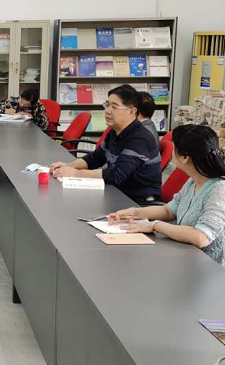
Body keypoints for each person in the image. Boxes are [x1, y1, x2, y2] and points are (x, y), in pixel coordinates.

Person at [109, 124, 225, 265]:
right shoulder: (193, 181)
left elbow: (201, 237)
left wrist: (155, 225)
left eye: (174, 147)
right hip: (187, 258)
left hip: (210, 268)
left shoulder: (219, 190)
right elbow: (169, 211)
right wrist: (135, 212)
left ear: (185, 157)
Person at [50, 85, 162, 205]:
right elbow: (95, 158)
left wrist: (76, 174)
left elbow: (116, 175)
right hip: (116, 192)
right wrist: (69, 166)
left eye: (114, 106)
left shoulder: (141, 138)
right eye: (107, 105)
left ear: (131, 111)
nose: (108, 111)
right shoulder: (115, 131)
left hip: (138, 202)